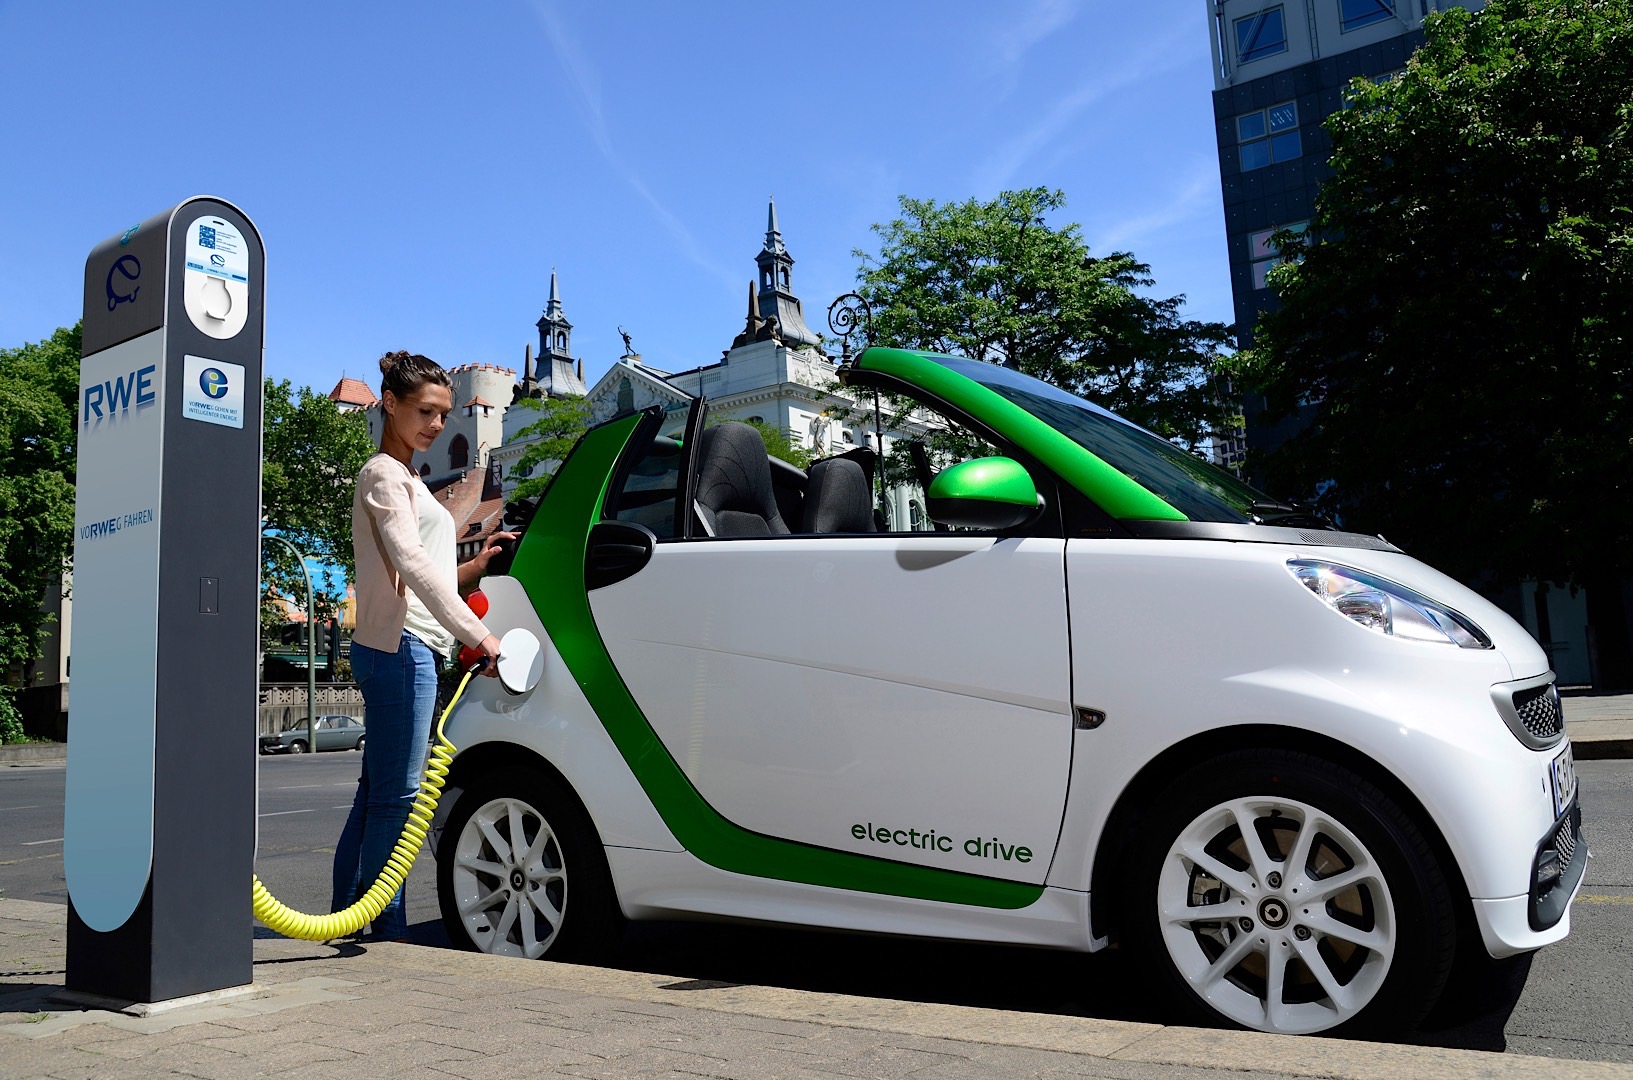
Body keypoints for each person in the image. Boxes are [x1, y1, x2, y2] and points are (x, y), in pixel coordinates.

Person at [331, 350, 511, 941]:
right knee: (400, 801)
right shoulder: (382, 473)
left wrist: (478, 559)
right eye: (426, 412)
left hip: (409, 645)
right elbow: (408, 561)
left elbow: (426, 567)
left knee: (376, 795)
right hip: (401, 649)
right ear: (389, 404)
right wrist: (479, 635)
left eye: (444, 413)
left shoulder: (409, 478)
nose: (437, 425)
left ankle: (346, 915)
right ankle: (384, 924)